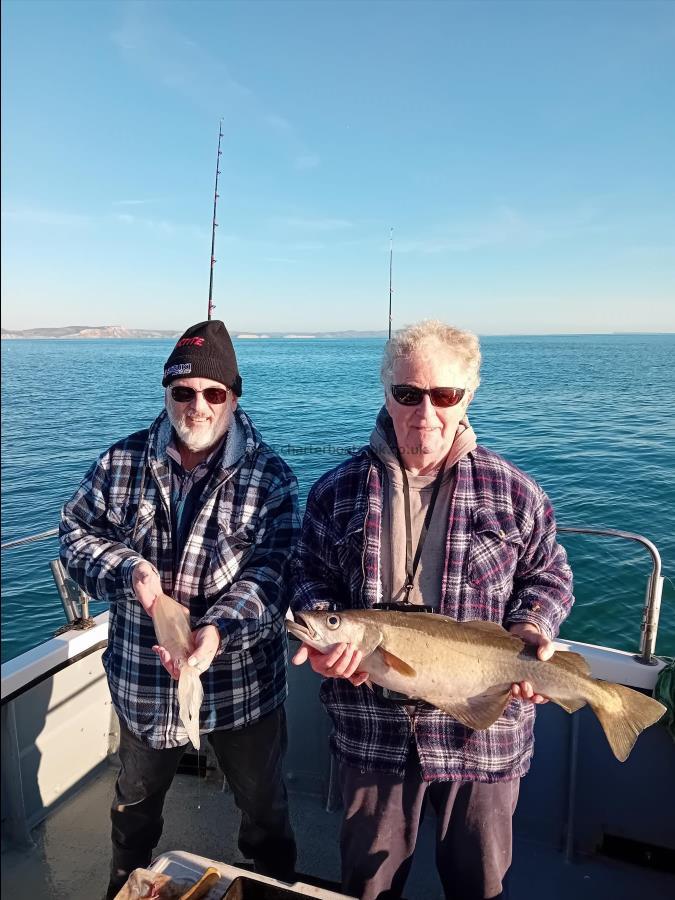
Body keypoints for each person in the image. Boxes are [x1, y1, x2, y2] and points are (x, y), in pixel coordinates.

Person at [290, 320, 574, 900]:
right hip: (373, 729)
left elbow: (550, 576)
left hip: (482, 734)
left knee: (479, 886)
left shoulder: (516, 492)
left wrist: (533, 628)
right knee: (368, 886)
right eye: (408, 394)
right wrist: (323, 635)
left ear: (469, 395)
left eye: (445, 395)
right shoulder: (336, 491)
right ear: (386, 394)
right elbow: (307, 577)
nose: (426, 412)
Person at [60, 320, 299, 899]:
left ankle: (271, 890)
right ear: (166, 393)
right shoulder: (120, 464)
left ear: (234, 397)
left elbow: (273, 573)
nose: (198, 405)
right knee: (134, 810)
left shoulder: (271, 480)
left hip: (242, 689)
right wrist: (137, 576)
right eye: (183, 392)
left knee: (264, 815)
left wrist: (215, 632)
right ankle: (126, 887)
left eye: (214, 393)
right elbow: (73, 536)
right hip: (145, 684)